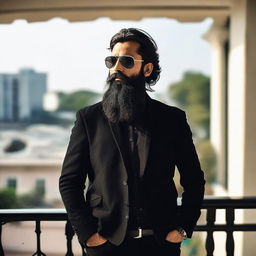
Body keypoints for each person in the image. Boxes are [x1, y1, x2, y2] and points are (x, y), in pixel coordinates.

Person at [59, 28, 205, 256]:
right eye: (111, 60)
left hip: (160, 246)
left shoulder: (172, 119)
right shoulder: (89, 119)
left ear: (146, 69)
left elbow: (194, 180)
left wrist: (183, 229)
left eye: (126, 61)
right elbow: (69, 181)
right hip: (105, 245)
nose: (116, 67)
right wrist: (88, 234)